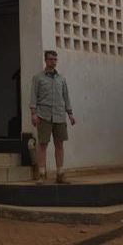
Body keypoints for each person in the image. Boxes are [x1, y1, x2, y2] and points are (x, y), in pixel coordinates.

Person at [29, 50, 75, 184]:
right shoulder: (38, 78)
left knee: (59, 144)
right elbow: (33, 96)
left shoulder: (61, 79)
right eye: (50, 59)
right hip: (44, 115)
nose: (53, 62)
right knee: (42, 144)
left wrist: (70, 114)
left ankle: (60, 173)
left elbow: (66, 97)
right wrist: (33, 114)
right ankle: (42, 174)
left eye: (55, 59)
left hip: (60, 115)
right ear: (46, 60)